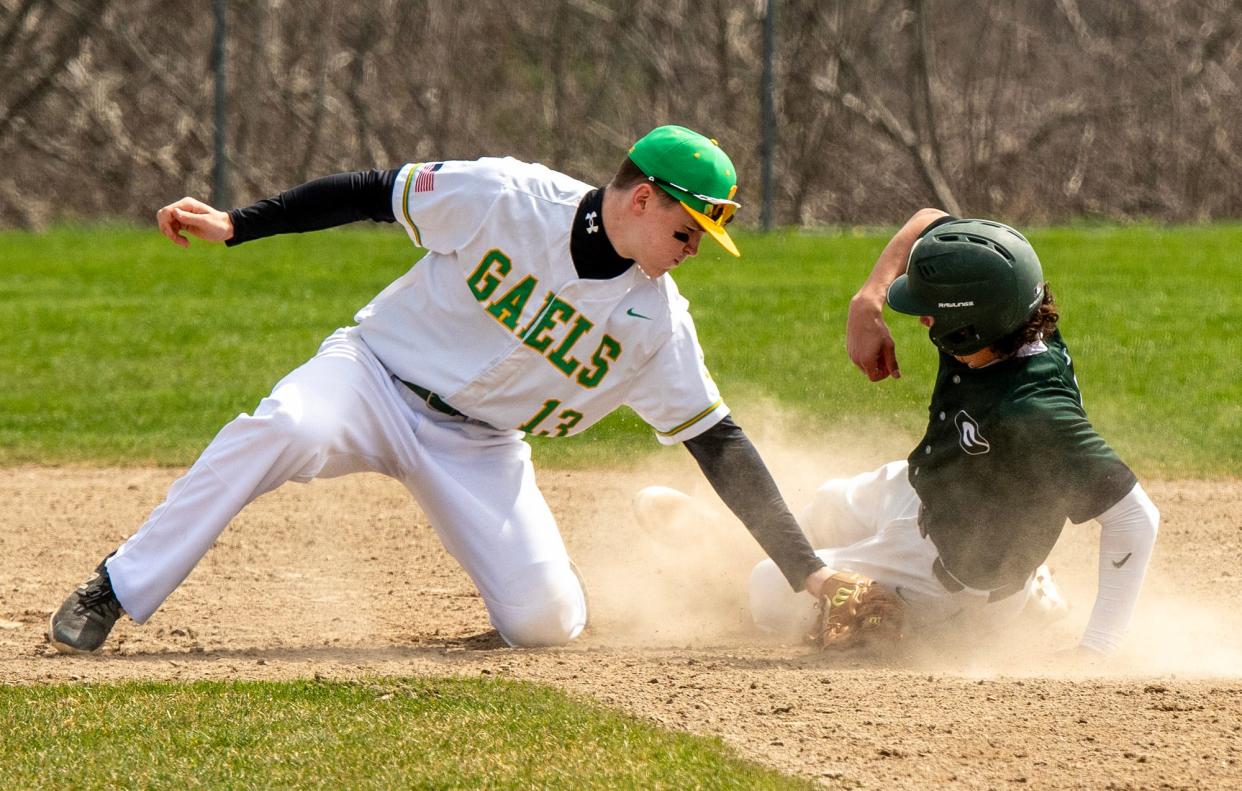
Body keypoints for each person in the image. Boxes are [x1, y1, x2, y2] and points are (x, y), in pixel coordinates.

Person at [48, 125, 835, 653]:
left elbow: (719, 441)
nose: (695, 248)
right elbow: (368, 188)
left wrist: (810, 572)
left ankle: (541, 585)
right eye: (690, 229)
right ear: (642, 199)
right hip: (374, 377)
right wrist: (239, 224)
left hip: (480, 445)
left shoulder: (657, 324)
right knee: (285, 425)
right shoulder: (506, 195)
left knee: (546, 623)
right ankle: (115, 585)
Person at [644, 212, 1159, 656]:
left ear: (969, 325)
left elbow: (1136, 518)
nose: (920, 318)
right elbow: (931, 221)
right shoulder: (1010, 310)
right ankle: (732, 546)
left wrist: (1097, 653)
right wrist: (867, 299)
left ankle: (731, 571)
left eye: (931, 310)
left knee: (767, 591)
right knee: (827, 504)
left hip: (952, 583)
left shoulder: (1033, 412)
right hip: (941, 491)